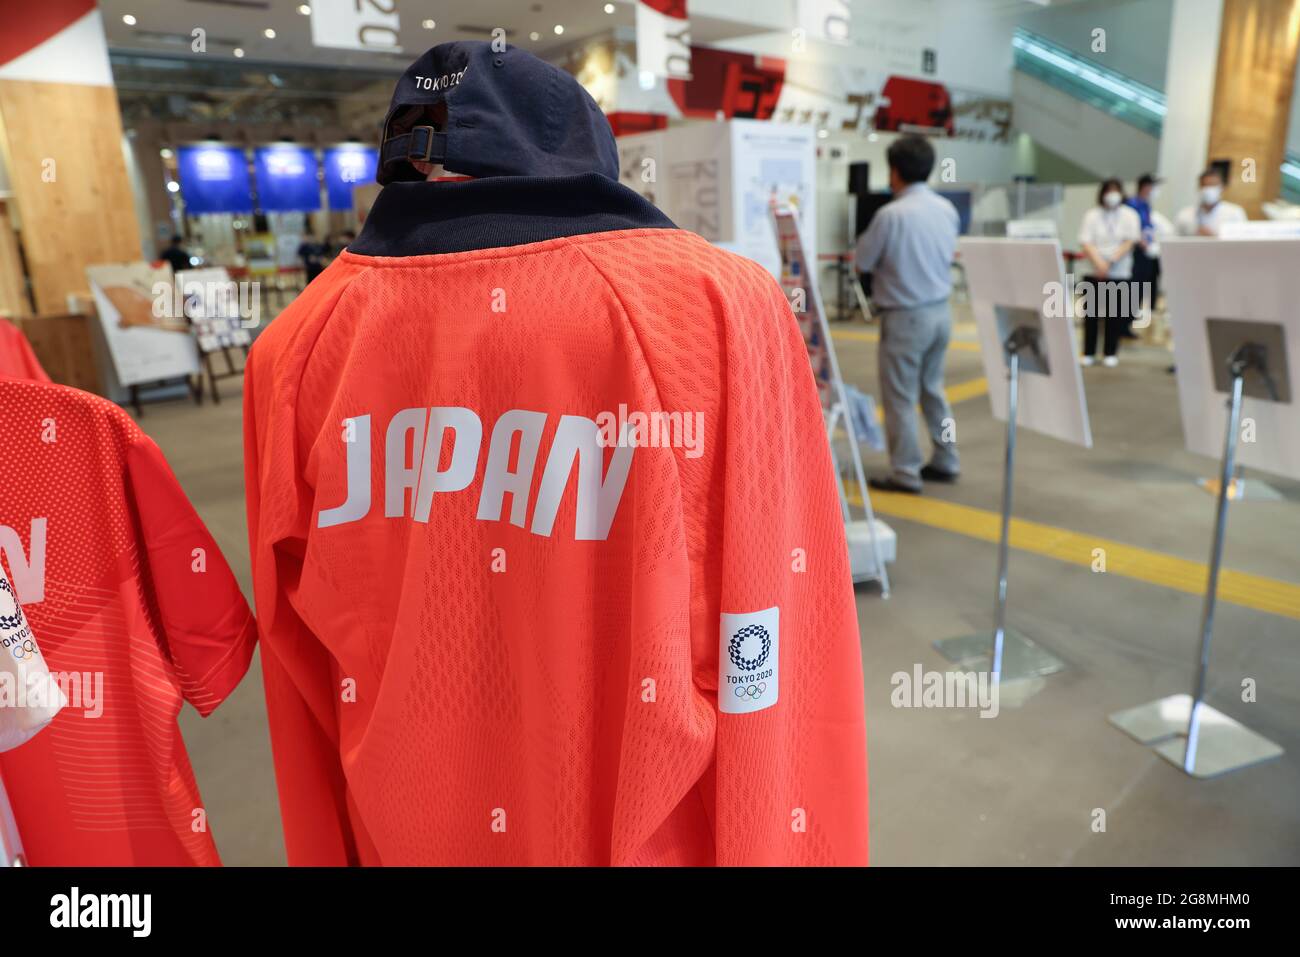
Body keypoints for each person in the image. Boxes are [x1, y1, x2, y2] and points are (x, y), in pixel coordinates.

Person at [242, 41, 868, 867]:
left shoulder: (292, 350)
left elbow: (297, 678)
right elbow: (781, 649)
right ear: (589, 151)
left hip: (403, 834)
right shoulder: (720, 305)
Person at [854, 134, 960, 494]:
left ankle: (905, 472)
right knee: (933, 389)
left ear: (894, 171)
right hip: (941, 313)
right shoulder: (946, 209)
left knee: (899, 396)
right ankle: (947, 458)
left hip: (905, 316)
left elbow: (863, 261)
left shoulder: (890, 215)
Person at [1077, 177, 1141, 367]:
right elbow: (1086, 241)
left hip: (1119, 270)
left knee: (1114, 314)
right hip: (1094, 270)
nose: (1112, 195)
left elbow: (1130, 241)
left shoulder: (1129, 215)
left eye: (1116, 191)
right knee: (1091, 314)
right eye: (1108, 191)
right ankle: (1088, 351)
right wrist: (1099, 263)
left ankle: (1110, 352)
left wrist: (1111, 261)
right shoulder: (1092, 215)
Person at [1125, 173, 1161, 338]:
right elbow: (1131, 227)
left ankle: (1129, 321)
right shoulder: (1132, 204)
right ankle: (1122, 323)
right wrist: (1141, 240)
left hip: (1147, 250)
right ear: (1145, 186)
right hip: (1135, 251)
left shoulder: (1146, 205)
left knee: (1141, 286)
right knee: (1132, 286)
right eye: (1152, 186)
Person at [1175, 168, 1247, 237]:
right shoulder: (1184, 215)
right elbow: (1174, 241)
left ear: (1222, 187)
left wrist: (1213, 238)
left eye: (1213, 185)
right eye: (1205, 185)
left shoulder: (1234, 213)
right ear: (1199, 187)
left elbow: (1242, 241)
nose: (1208, 189)